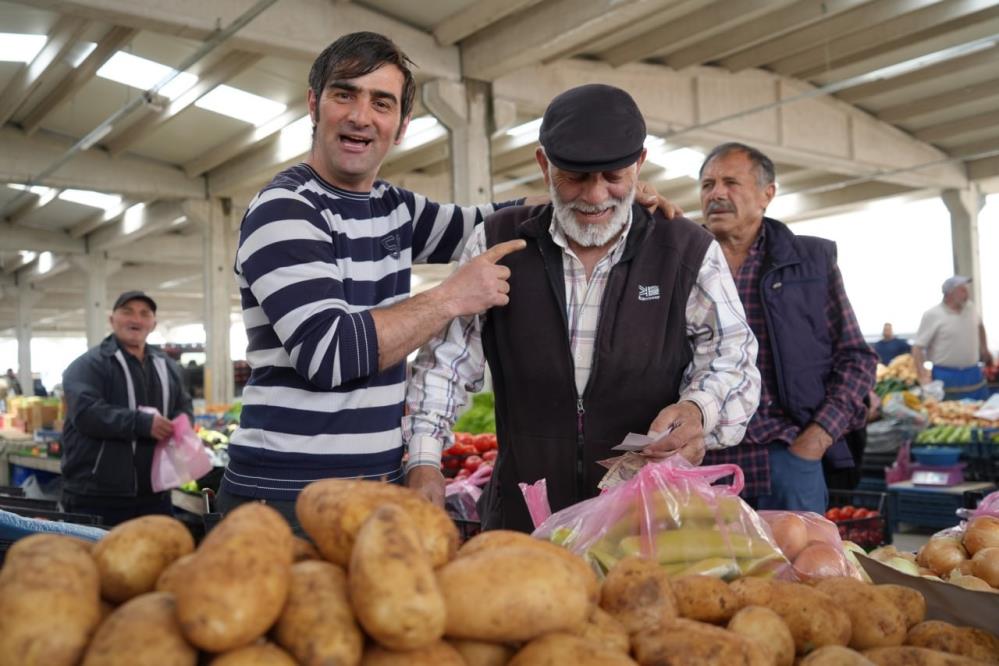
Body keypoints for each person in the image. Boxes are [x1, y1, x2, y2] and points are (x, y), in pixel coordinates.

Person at [221, 33, 676, 527]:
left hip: (378, 484)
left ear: (400, 126)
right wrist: (451, 297)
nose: (360, 116)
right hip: (287, 494)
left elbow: (500, 220)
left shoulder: (394, 209)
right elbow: (329, 355)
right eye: (344, 94)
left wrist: (605, 192)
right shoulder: (286, 209)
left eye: (381, 102)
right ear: (314, 104)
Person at [404, 84, 761, 533]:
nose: (595, 197)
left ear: (639, 164)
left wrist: (698, 410)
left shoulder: (684, 250)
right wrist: (424, 460)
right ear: (543, 165)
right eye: (575, 177)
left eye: (614, 176)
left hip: (646, 519)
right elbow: (444, 365)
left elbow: (735, 358)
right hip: (525, 514)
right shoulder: (498, 243)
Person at [698, 143, 877, 513]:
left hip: (788, 456)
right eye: (707, 184)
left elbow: (857, 359)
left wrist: (818, 437)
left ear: (768, 194)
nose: (716, 193)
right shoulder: (682, 262)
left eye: (731, 182)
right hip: (704, 462)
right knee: (710, 569)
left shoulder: (810, 263)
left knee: (802, 567)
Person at [61, 291, 193, 526]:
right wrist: (142, 423)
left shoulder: (166, 365)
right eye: (127, 312)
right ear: (112, 320)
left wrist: (182, 423)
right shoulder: (87, 366)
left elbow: (183, 404)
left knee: (157, 560)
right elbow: (86, 413)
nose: (136, 319)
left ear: (153, 324)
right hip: (98, 496)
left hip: (156, 495)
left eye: (144, 314)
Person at [912, 276, 993, 400]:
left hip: (973, 372)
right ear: (949, 293)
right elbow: (917, 348)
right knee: (951, 414)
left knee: (981, 413)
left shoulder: (971, 308)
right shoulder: (932, 315)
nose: (967, 294)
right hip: (945, 375)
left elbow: (980, 326)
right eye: (962, 290)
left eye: (967, 290)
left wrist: (985, 349)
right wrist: (923, 376)